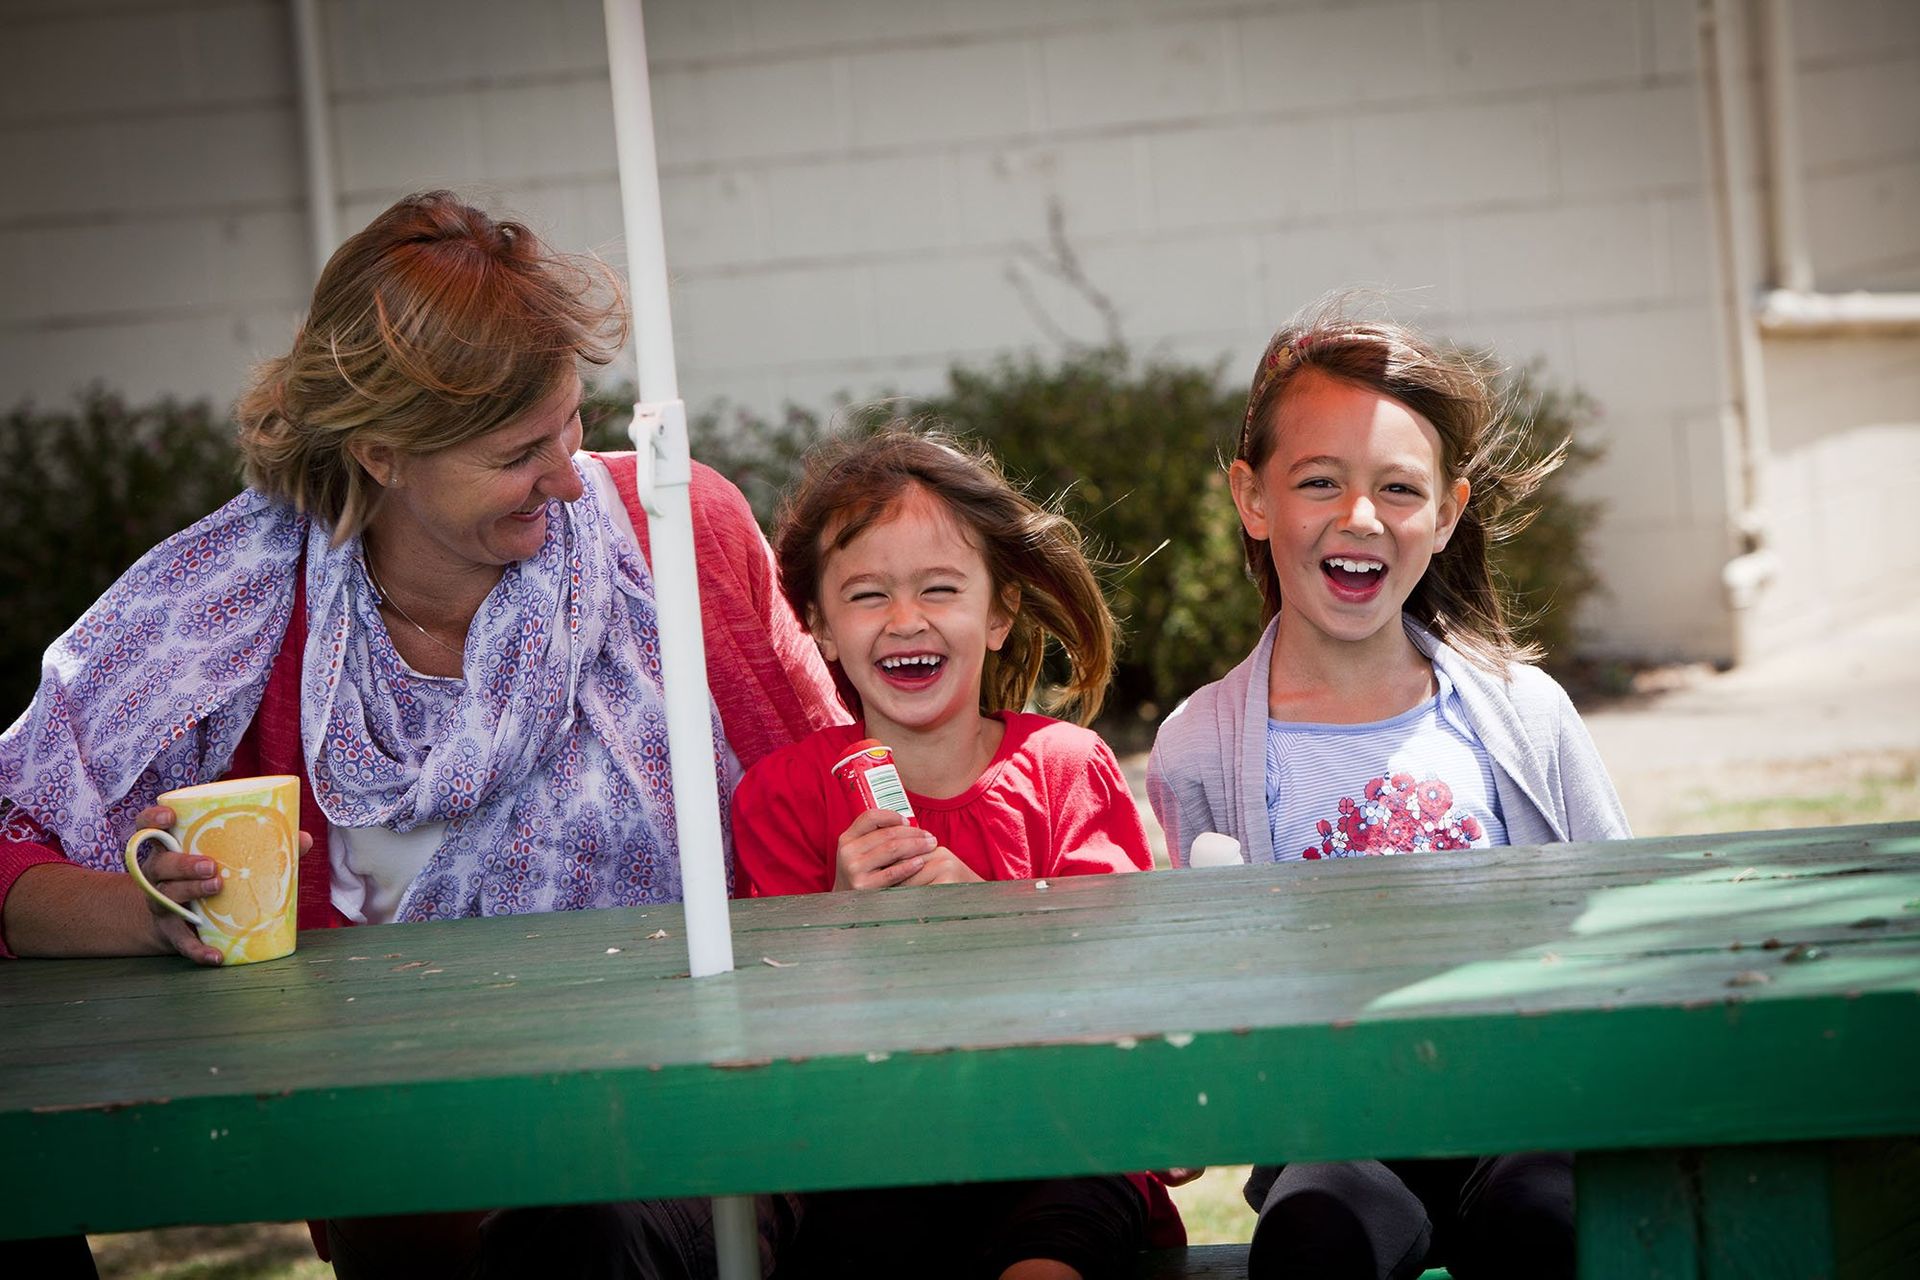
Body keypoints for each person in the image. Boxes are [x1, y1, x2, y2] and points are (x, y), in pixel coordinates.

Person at [0, 191, 844, 1279]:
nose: (565, 471)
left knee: (587, 1225)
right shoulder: (240, 601)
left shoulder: (676, 531)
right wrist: (154, 908)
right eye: (517, 450)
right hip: (402, 1175)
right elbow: (12, 825)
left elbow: (833, 793)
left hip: (695, 1139)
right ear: (383, 453)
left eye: (571, 420)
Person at [1146, 305, 1631, 1280]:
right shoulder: (1200, 744)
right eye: (1319, 480)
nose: (1358, 516)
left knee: (1550, 1218)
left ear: (1446, 511)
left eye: (1397, 488)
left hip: (1519, 1114)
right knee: (1315, 1233)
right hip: (1336, 1131)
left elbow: (1616, 923)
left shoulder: (1523, 713)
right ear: (1252, 497)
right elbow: (1203, 977)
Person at [729, 425, 1184, 1278]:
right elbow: (778, 1051)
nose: (906, 620)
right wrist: (835, 925)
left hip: (1058, 1141)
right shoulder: (783, 796)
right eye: (866, 596)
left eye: (940, 587)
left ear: (1001, 613)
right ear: (819, 626)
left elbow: (1114, 995)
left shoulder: (1062, 770)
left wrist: (987, 918)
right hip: (871, 1150)